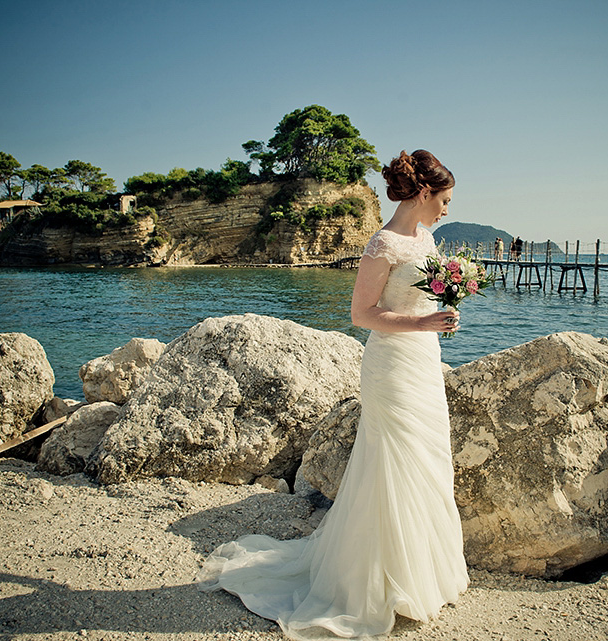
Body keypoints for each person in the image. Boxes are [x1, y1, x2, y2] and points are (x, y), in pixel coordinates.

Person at [197, 149, 469, 639]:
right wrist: (421, 320)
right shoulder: (381, 244)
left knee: (428, 459)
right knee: (390, 462)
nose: (447, 209)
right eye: (445, 199)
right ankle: (371, 581)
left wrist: (443, 309)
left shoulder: (427, 237)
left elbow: (420, 295)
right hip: (392, 365)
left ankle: (420, 574)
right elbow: (362, 315)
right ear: (425, 193)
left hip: (426, 360)